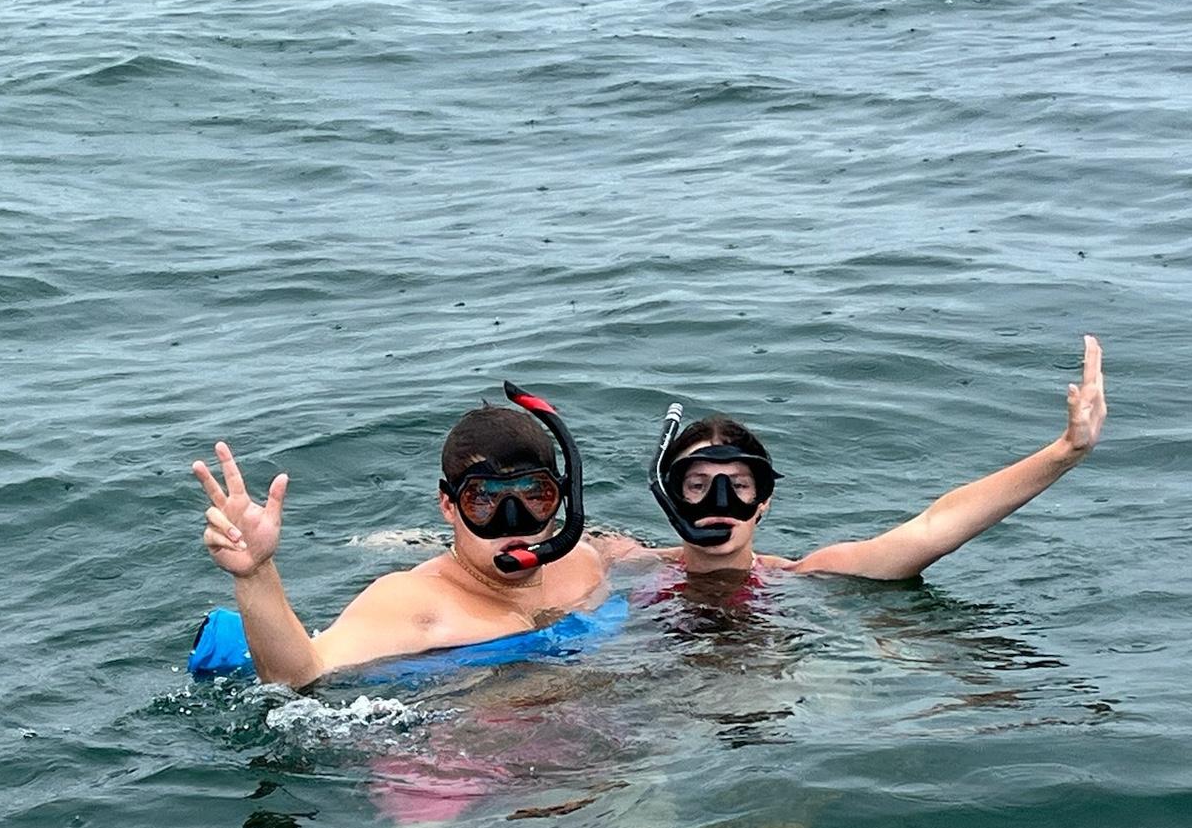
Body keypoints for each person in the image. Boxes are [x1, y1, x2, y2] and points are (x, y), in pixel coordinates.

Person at [191, 383, 615, 688]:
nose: (512, 521)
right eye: (483, 501)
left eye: (534, 496)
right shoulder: (414, 602)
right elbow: (301, 675)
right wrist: (255, 573)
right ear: (448, 505)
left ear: (562, 498)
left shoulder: (584, 562)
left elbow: (644, 561)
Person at [643, 335, 1107, 580]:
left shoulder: (803, 578)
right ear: (669, 496)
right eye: (698, 485)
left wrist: (1065, 452)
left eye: (740, 486)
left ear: (764, 502)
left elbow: (933, 529)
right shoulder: (628, 563)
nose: (719, 502)